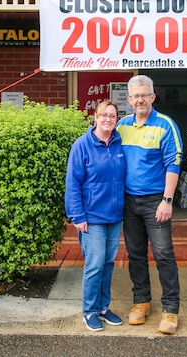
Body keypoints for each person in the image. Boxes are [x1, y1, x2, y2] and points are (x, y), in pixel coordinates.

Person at [116, 74, 183, 335]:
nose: (140, 99)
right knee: (135, 255)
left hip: (156, 201)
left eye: (145, 94)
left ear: (153, 97)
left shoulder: (166, 125)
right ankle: (141, 302)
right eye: (136, 96)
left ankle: (170, 309)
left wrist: (167, 200)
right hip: (128, 202)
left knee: (164, 255)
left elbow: (173, 163)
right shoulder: (121, 125)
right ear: (130, 99)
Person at [65, 100, 127, 332]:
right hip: (91, 217)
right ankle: (89, 311)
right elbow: (73, 183)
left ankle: (103, 307)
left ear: (116, 119)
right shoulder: (82, 145)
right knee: (94, 264)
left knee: (108, 263)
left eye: (112, 116)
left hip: (115, 216)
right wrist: (77, 215)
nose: (108, 119)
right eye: (104, 115)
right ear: (95, 117)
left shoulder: (119, 143)